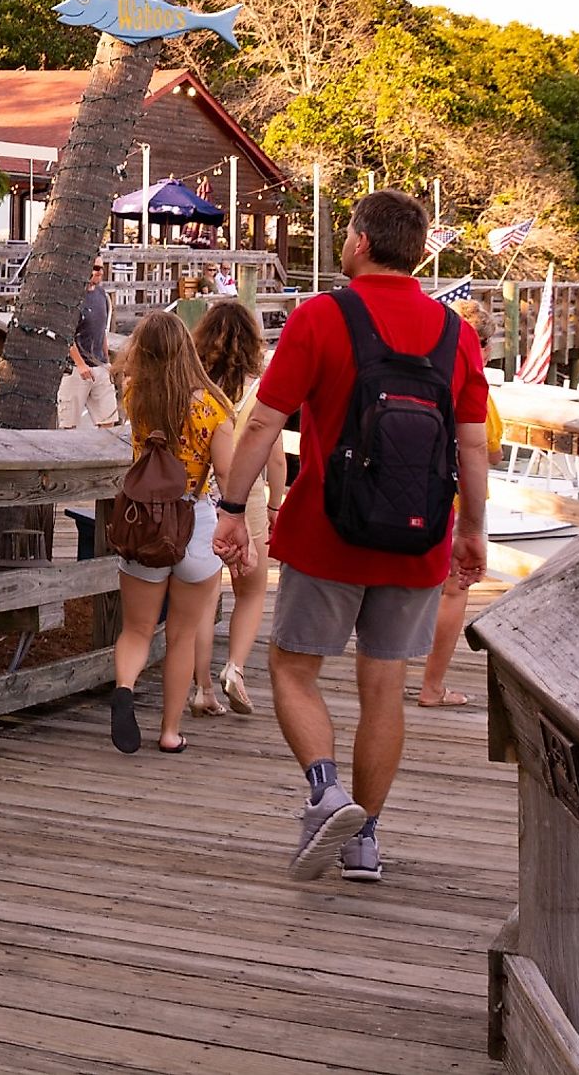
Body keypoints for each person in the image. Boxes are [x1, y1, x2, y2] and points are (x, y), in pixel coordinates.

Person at [213, 189, 489, 885]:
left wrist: (230, 505)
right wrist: (474, 529)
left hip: (325, 533)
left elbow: (260, 424)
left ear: (360, 242)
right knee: (384, 688)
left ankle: (326, 787)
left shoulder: (321, 317)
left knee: (293, 670)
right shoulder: (458, 334)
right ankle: (364, 838)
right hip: (421, 538)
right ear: (421, 252)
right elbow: (474, 446)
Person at [104, 310, 236, 755]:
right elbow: (228, 474)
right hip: (193, 522)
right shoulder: (212, 407)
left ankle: (124, 687)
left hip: (143, 521)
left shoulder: (136, 393)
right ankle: (170, 731)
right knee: (180, 635)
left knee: (137, 629)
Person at [194, 298, 281, 717]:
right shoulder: (262, 391)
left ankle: (201, 687)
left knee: (205, 596)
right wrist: (277, 504)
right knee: (251, 591)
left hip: (203, 498)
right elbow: (276, 457)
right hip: (246, 498)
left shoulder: (195, 386)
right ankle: (235, 668)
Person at [417, 298, 505, 709]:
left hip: (417, 493)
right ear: (481, 346)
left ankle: (387, 674)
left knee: (410, 589)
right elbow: (489, 453)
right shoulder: (478, 393)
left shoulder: (420, 376)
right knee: (454, 591)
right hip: (458, 502)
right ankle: (432, 685)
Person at [60, 258, 121, 429]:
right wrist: (80, 365)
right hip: (76, 369)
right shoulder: (72, 299)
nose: (100, 271)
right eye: (95, 268)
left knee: (108, 422)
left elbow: (102, 331)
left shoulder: (103, 295)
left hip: (100, 366)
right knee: (68, 425)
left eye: (102, 268)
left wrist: (107, 361)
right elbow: (66, 335)